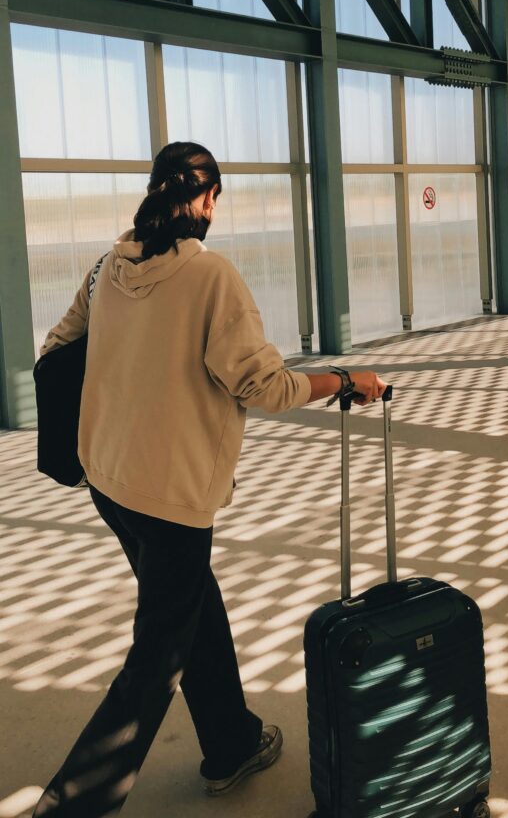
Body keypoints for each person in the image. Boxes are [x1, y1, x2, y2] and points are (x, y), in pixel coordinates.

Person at [32, 141, 385, 818]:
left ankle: (231, 744)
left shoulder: (107, 267)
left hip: (110, 481)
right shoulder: (211, 277)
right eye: (214, 198)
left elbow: (56, 349)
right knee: (155, 659)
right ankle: (70, 806)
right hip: (170, 496)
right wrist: (344, 379)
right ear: (206, 198)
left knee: (193, 604)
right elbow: (265, 386)